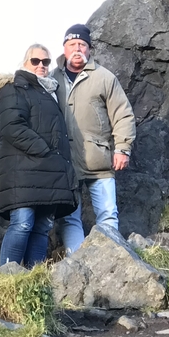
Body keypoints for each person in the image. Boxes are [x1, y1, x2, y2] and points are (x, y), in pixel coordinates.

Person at [0, 44, 78, 267]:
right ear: (25, 63)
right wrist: (44, 150)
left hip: (49, 172)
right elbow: (12, 127)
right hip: (25, 171)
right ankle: (8, 280)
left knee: (42, 227)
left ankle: (33, 279)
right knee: (22, 224)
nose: (41, 65)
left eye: (46, 62)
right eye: (35, 61)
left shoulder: (50, 92)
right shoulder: (14, 87)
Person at [51, 23, 136, 253]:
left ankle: (112, 262)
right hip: (65, 164)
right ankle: (76, 265)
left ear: (89, 49)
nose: (77, 48)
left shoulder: (104, 77)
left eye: (82, 44)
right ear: (64, 48)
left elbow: (123, 114)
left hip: (99, 161)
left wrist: (122, 149)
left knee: (107, 216)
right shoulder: (52, 78)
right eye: (72, 44)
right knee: (69, 220)